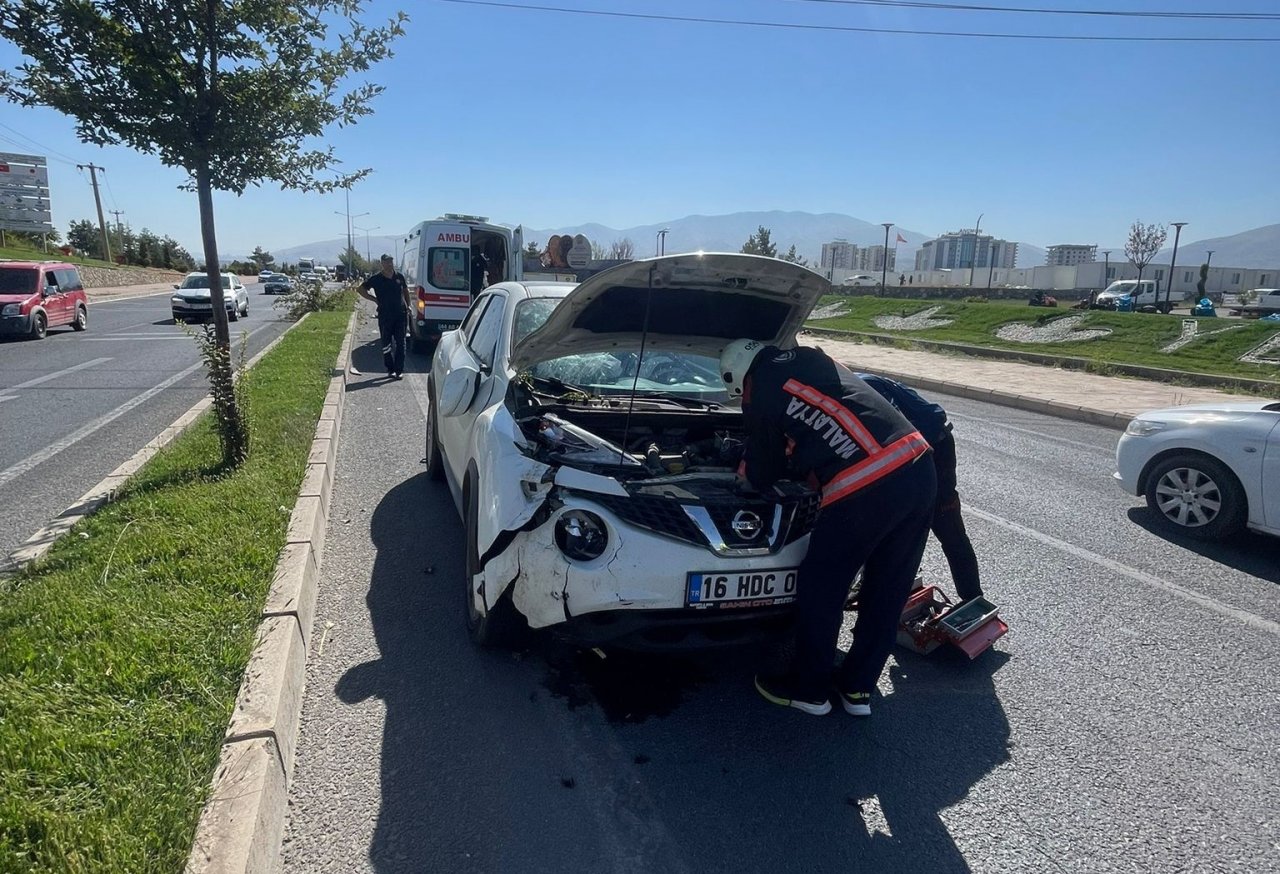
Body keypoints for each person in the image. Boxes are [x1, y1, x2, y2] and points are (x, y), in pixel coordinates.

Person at [722, 339, 936, 717]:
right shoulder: (812, 359)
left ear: (740, 378)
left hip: (867, 485)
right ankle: (857, 690)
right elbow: (824, 422)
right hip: (918, 464)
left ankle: (809, 690)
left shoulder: (762, 388)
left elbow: (762, 472)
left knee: (822, 585)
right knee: (887, 588)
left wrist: (738, 466)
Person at [857, 374, 983, 603]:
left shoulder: (852, 391)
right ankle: (973, 596)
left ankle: (882, 592)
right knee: (949, 527)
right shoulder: (865, 379)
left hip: (922, 447)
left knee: (898, 523)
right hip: (940, 439)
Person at [357, 254, 411, 379]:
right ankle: (390, 369)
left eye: (391, 262)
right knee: (386, 344)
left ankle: (399, 370)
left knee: (401, 343)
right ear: (382, 263)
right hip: (385, 315)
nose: (389, 264)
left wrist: (408, 305)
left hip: (400, 315)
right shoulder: (376, 278)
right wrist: (374, 299)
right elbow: (360, 290)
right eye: (387, 262)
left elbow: (405, 291)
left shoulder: (399, 277)